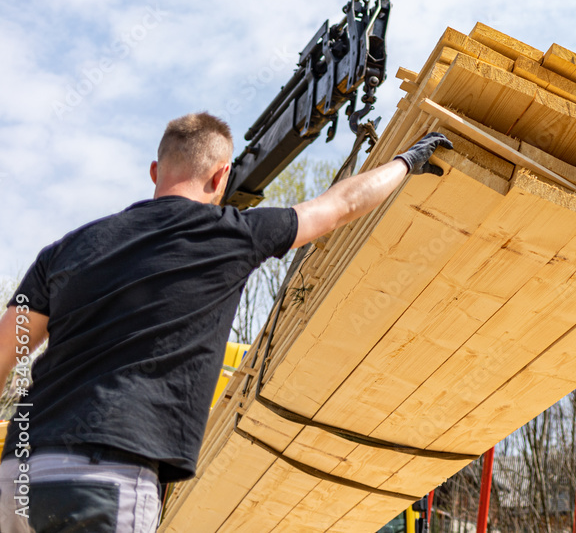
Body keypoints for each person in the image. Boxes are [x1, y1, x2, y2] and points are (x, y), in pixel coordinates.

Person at [0, 112, 452, 532]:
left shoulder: (65, 250)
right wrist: (405, 162)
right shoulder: (232, 236)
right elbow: (340, 206)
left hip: (15, 480)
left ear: (155, 173)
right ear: (221, 177)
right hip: (108, 478)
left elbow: (6, 352)